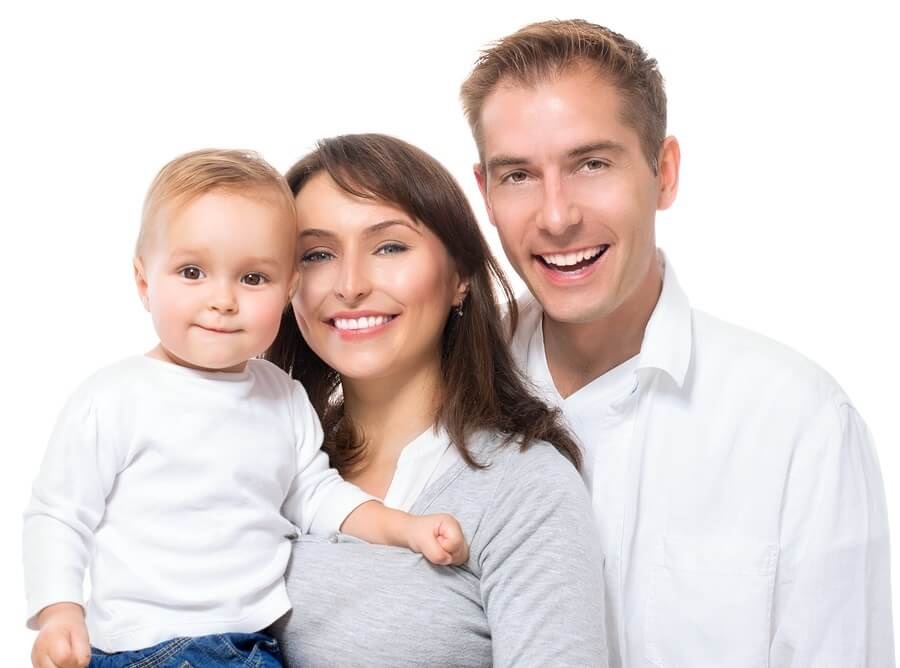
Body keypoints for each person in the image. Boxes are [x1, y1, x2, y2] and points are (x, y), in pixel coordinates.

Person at [460, 19, 894, 667]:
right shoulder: (440, 396)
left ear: (663, 172)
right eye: (518, 175)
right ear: (485, 194)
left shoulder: (799, 424)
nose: (557, 216)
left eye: (592, 163)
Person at [23, 149, 467, 668]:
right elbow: (58, 515)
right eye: (192, 272)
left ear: (288, 292)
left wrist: (405, 529)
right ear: (144, 282)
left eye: (252, 278)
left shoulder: (281, 395)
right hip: (154, 647)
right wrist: (59, 613)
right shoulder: (116, 398)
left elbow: (316, 497)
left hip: (252, 645)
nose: (223, 299)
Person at [265, 133, 607, 667]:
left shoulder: (525, 489)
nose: (350, 285)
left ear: (460, 279)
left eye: (389, 246)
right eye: (317, 254)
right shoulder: (264, 460)